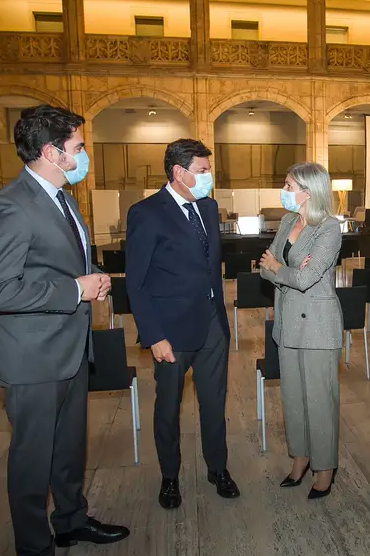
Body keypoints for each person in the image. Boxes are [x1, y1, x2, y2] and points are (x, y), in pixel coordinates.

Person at [0, 104, 129, 556]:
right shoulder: (10, 205)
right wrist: (72, 290)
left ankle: (70, 520)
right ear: (51, 151)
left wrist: (91, 277)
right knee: (31, 460)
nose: (84, 155)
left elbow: (58, 263)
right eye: (78, 147)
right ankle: (33, 544)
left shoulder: (62, 199)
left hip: (70, 348)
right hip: (33, 359)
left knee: (68, 449)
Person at [125, 138, 239, 508]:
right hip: (171, 332)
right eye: (203, 171)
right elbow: (136, 282)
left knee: (213, 402)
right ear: (179, 172)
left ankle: (217, 468)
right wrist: (154, 335)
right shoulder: (147, 212)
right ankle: (170, 476)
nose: (209, 178)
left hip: (212, 327)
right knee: (168, 407)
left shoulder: (207, 207)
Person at [258, 162, 344, 499]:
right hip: (287, 323)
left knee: (320, 400)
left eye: (289, 184)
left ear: (308, 191)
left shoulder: (329, 229)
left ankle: (324, 468)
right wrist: (281, 268)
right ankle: (301, 458)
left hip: (319, 327)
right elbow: (265, 267)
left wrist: (278, 267)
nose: (284, 189)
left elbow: (307, 279)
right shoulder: (286, 221)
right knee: (293, 398)